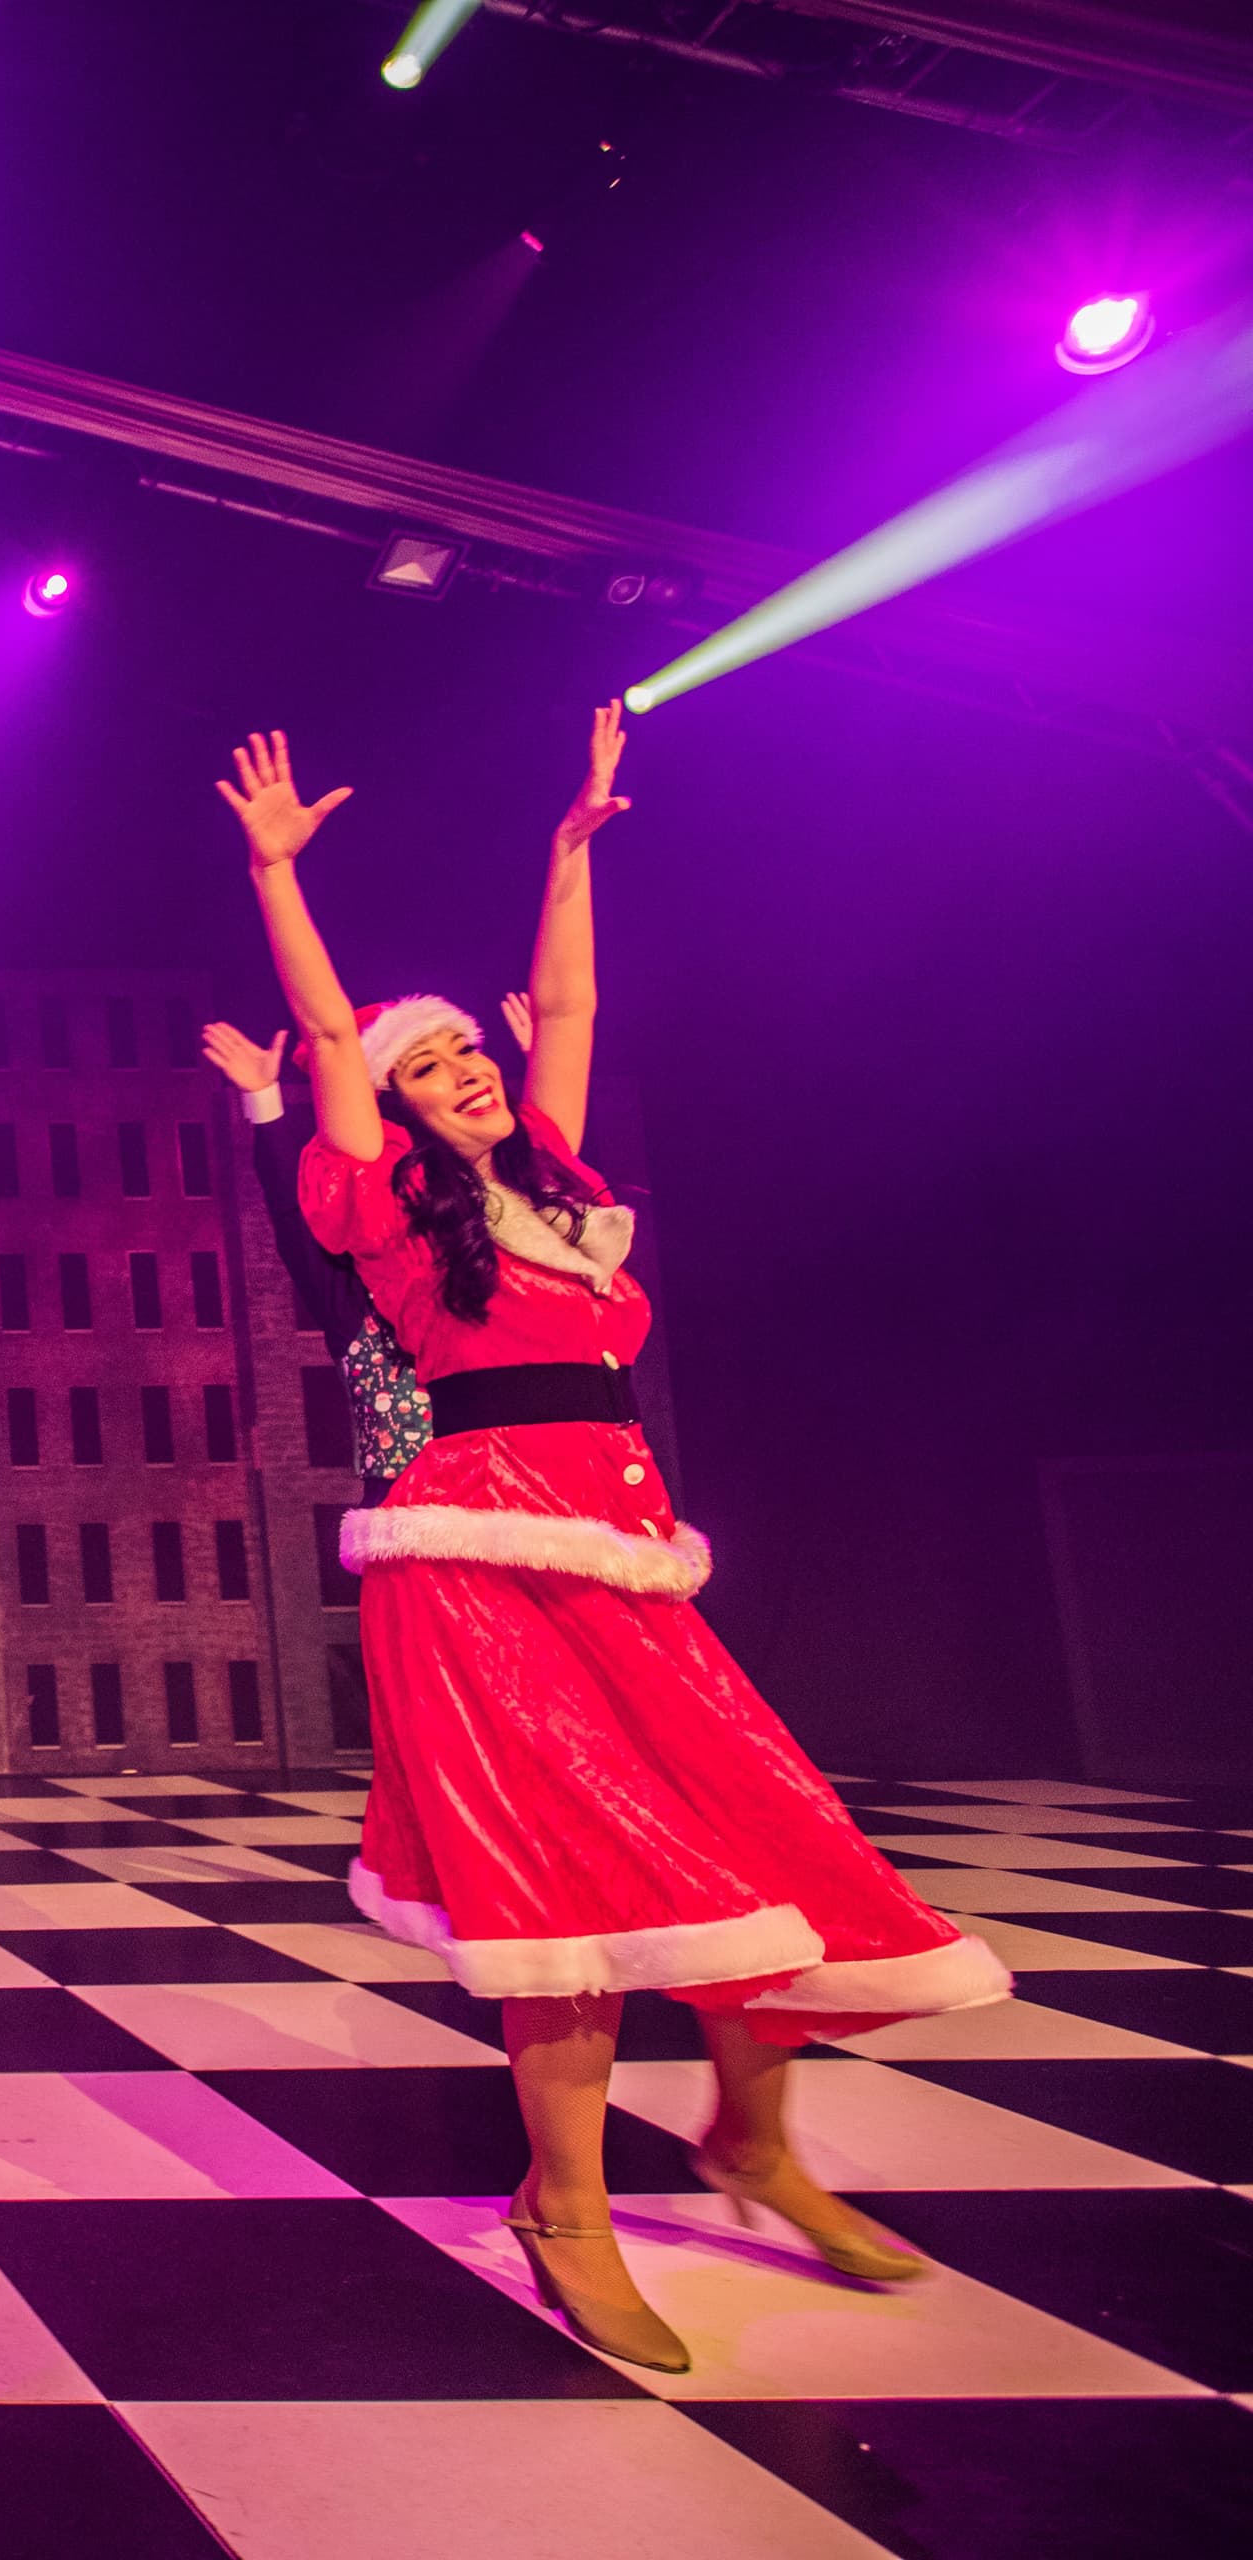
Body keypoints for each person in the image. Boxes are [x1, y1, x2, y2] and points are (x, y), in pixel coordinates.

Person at [228, 710, 1007, 2374]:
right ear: (389, 1103)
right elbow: (327, 1027)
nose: (469, 1071)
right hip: (480, 1559)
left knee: (753, 1837)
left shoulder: (562, 1188)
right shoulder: (376, 1200)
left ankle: (752, 2144)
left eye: (470, 1053)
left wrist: (568, 855)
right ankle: (565, 2209)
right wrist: (278, 876)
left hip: (621, 1544)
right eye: (432, 1065)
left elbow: (567, 1012)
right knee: (563, 1881)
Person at [202, 1020, 431, 1502]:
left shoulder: (480, 1286)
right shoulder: (355, 1309)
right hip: (407, 1517)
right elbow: (291, 1213)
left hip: (512, 1511)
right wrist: (264, 1099)